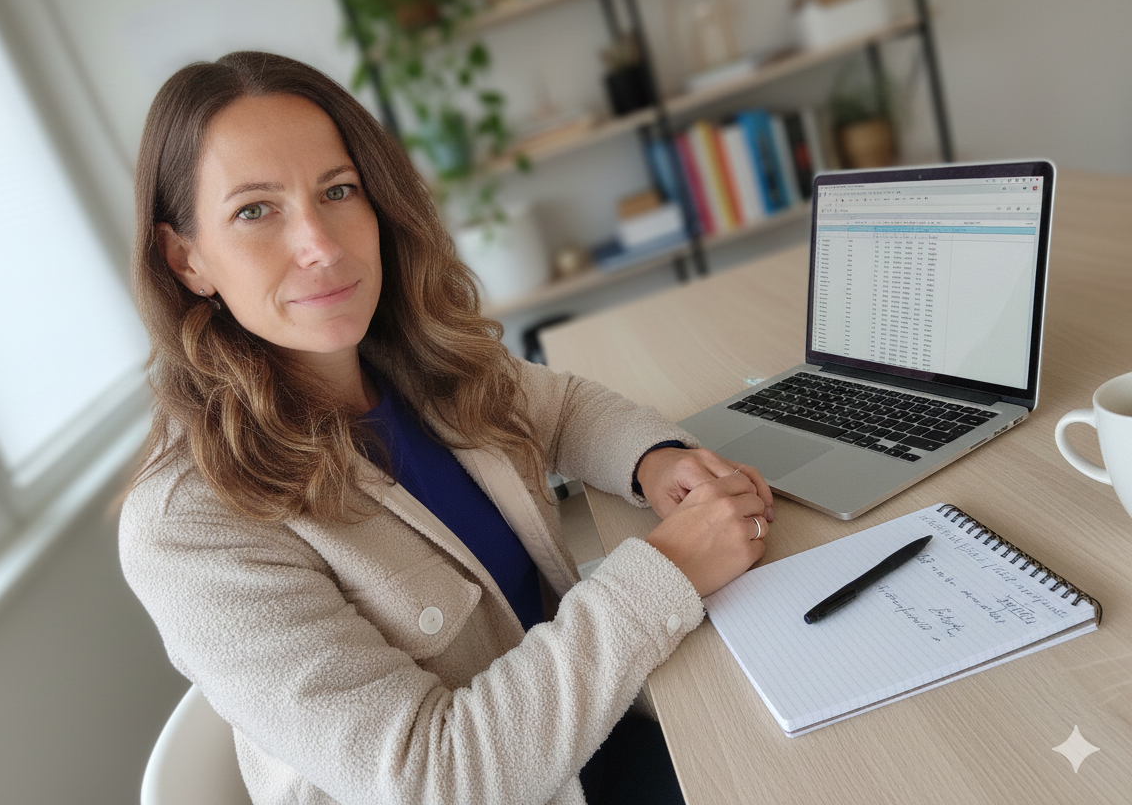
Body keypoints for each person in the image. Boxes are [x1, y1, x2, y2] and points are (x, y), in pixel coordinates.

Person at [120, 50, 773, 805]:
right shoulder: (187, 525)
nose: (322, 246)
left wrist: (654, 458)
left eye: (338, 191)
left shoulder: (411, 361)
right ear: (186, 257)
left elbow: (560, 408)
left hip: (586, 739)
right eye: (255, 210)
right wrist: (667, 572)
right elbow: (434, 781)